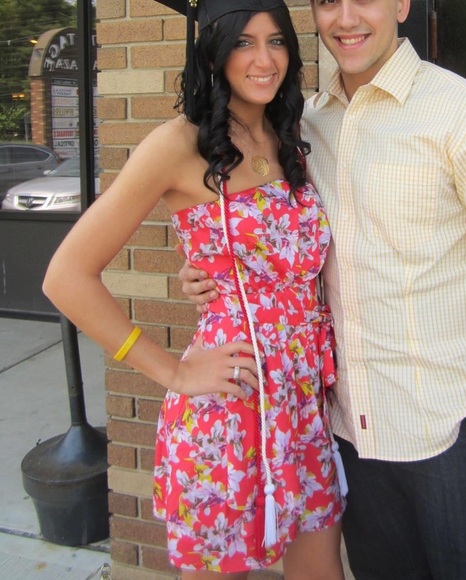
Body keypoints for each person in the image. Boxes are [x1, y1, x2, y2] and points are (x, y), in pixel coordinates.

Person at [179, 0, 466, 578]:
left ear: (402, 4)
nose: (345, 19)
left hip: (457, 435)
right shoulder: (304, 127)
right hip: (352, 437)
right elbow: (281, 240)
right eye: (327, 1)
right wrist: (215, 273)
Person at [43, 0, 346, 577]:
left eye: (277, 41)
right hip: (228, 405)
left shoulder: (292, 133)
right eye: (244, 43)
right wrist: (173, 373)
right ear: (212, 53)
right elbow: (66, 277)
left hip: (302, 403)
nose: (264, 60)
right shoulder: (177, 145)